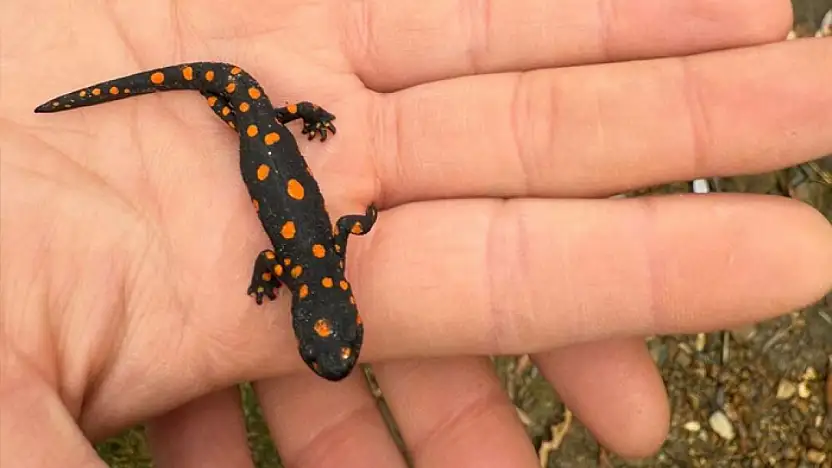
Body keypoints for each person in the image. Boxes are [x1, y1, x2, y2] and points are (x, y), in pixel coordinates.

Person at [1, 1, 830, 466]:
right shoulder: (310, 259)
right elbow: (337, 226)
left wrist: (299, 159)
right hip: (257, 121)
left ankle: (264, 112)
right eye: (337, 346)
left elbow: (334, 230)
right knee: (248, 121)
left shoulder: (312, 259)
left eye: (325, 346)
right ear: (336, 311)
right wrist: (274, 266)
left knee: (255, 126)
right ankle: (161, 100)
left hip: (263, 123)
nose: (333, 353)